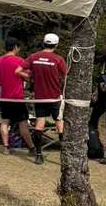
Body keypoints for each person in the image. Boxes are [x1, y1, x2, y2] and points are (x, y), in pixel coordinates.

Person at [17, 33, 68, 165]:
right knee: (59, 123)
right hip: (55, 97)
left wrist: (30, 78)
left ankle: (39, 155)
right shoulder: (58, 59)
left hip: (39, 97)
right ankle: (65, 157)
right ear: (56, 45)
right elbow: (66, 76)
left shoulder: (33, 57)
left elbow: (18, 71)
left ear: (43, 43)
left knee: (40, 124)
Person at [0, 37, 35, 156]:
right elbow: (27, 76)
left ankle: (6, 147)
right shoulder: (20, 60)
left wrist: (1, 80)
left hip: (4, 97)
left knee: (5, 121)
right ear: (15, 47)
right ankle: (31, 147)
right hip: (17, 97)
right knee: (23, 123)